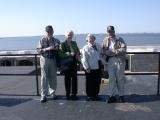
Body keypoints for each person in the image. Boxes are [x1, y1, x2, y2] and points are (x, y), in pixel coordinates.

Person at [102, 26, 127, 103]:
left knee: (120, 78)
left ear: (114, 32)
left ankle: (121, 95)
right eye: (109, 32)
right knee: (111, 79)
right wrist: (106, 52)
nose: (110, 33)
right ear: (107, 32)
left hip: (119, 60)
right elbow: (102, 49)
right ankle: (111, 96)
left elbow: (124, 49)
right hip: (110, 61)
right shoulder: (105, 40)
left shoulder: (120, 39)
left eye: (111, 31)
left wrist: (113, 51)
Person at [37, 25, 60, 103]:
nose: (49, 33)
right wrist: (48, 48)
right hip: (44, 59)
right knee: (44, 77)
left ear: (53, 32)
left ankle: (52, 93)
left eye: (51, 31)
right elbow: (39, 50)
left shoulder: (56, 40)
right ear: (45, 32)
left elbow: (58, 48)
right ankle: (43, 95)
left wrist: (56, 48)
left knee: (53, 76)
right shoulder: (41, 40)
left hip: (53, 59)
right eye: (48, 32)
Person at [60, 30, 80, 100]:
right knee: (67, 79)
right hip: (67, 64)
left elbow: (77, 51)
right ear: (66, 35)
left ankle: (74, 94)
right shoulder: (62, 44)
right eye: (68, 35)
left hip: (74, 62)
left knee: (74, 79)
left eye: (71, 35)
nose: (70, 36)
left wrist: (77, 53)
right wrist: (69, 54)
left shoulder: (74, 43)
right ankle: (67, 94)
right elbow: (60, 54)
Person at [81, 34, 101, 101]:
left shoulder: (98, 45)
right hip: (90, 67)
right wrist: (86, 67)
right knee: (89, 82)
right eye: (89, 38)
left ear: (94, 39)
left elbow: (101, 55)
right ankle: (89, 95)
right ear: (87, 40)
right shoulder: (85, 48)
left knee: (97, 81)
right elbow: (84, 59)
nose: (91, 40)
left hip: (98, 66)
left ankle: (96, 95)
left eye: (92, 38)